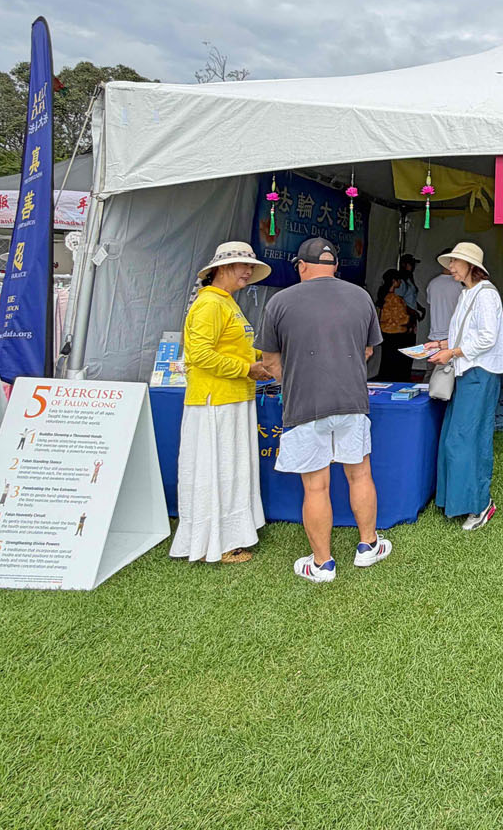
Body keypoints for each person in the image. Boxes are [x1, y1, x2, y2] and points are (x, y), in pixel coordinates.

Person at [258, 237, 388, 583]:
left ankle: (322, 564)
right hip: (352, 399)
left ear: (301, 266)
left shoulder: (279, 302)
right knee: (360, 474)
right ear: (335, 266)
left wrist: (293, 379)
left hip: (304, 403)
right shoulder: (361, 296)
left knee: (315, 486)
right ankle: (368, 545)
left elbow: (269, 361)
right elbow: (368, 351)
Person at [170, 241, 269, 566]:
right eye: (244, 265)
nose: (248, 272)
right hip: (215, 400)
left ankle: (229, 535)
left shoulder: (226, 302)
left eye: (251, 266)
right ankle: (214, 542)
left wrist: (265, 358)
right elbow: (199, 355)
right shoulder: (210, 303)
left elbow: (236, 348)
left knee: (231, 470)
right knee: (217, 471)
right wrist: (247, 368)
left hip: (234, 396)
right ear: (222, 268)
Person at [426, 242, 503, 530]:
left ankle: (480, 503)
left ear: (470, 266)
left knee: (467, 439)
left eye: (455, 262)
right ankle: (457, 500)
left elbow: (487, 338)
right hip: (468, 372)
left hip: (479, 374)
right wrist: (441, 345)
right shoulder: (468, 293)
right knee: (455, 437)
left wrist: (452, 352)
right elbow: (466, 334)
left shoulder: (486, 294)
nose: (450, 267)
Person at [375, 269, 417, 382]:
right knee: (398, 362)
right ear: (394, 281)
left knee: (387, 360)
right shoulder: (395, 299)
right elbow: (402, 318)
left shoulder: (383, 297)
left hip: (385, 332)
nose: (400, 282)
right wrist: (411, 318)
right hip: (397, 334)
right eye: (399, 280)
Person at [424, 265, 464, 348]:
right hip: (454, 334)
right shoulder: (460, 284)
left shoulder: (432, 283)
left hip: (435, 334)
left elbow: (430, 302)